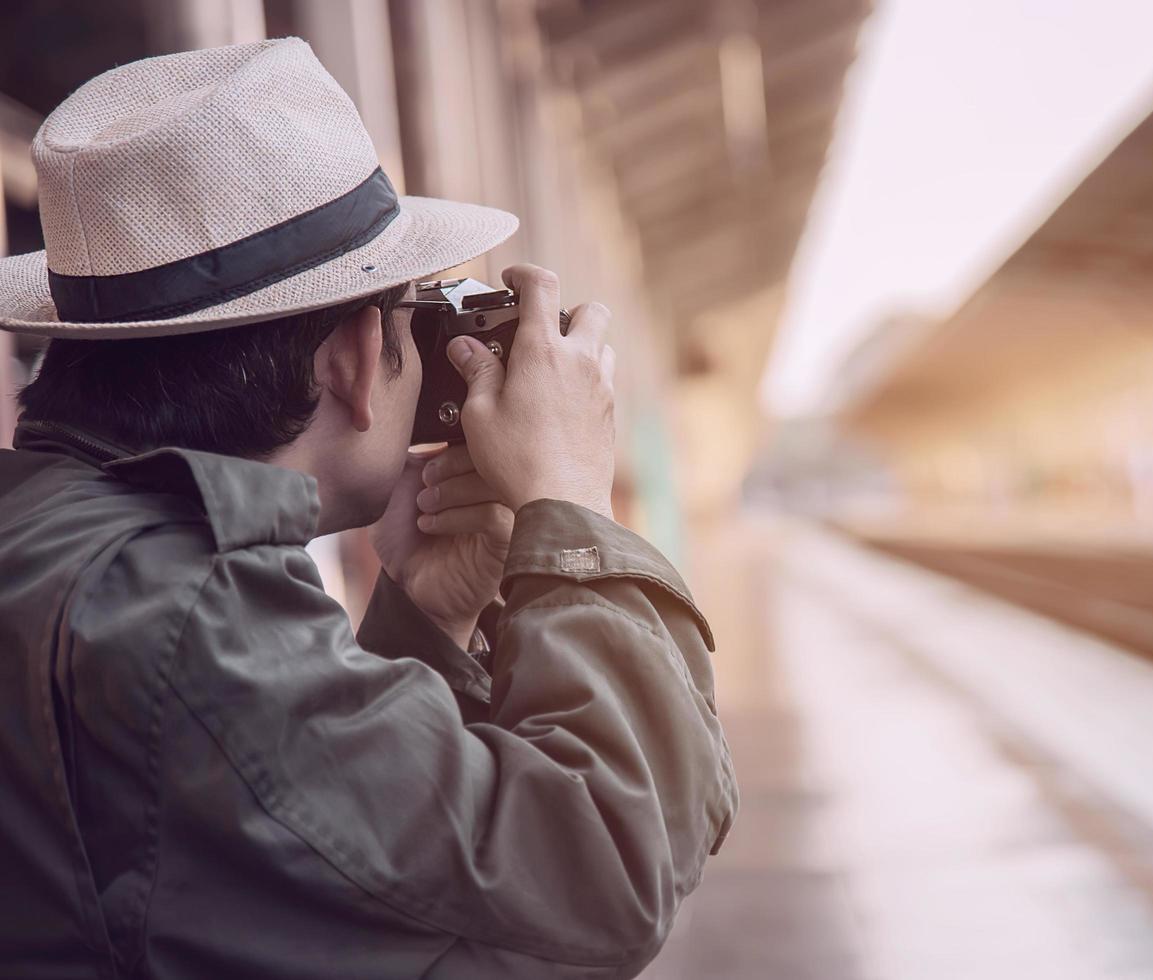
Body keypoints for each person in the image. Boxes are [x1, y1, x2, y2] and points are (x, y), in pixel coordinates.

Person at [0, 38, 735, 979]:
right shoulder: (184, 618)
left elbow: (319, 863)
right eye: (413, 313)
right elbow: (608, 876)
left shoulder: (69, 551)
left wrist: (426, 614)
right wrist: (571, 500)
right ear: (352, 357)